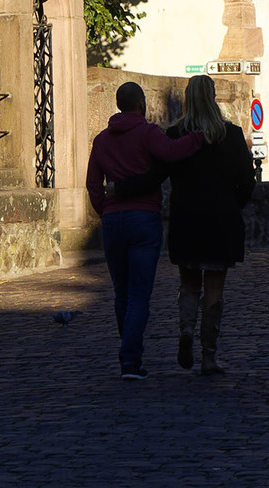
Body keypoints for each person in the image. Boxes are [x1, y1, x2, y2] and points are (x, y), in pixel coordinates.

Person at [85, 81, 202, 379]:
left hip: (113, 222)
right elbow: (172, 153)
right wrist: (199, 138)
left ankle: (129, 351)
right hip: (143, 218)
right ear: (141, 104)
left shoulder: (101, 140)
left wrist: (104, 210)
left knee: (121, 293)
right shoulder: (147, 133)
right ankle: (130, 360)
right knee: (138, 295)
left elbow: (92, 183)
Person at [165, 76, 255, 376]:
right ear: (213, 97)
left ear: (187, 98)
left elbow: (166, 175)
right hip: (220, 219)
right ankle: (209, 356)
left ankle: (187, 329)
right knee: (215, 287)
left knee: (189, 284)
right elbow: (247, 180)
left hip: (186, 218)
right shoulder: (229, 135)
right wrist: (234, 205)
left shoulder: (176, 133)